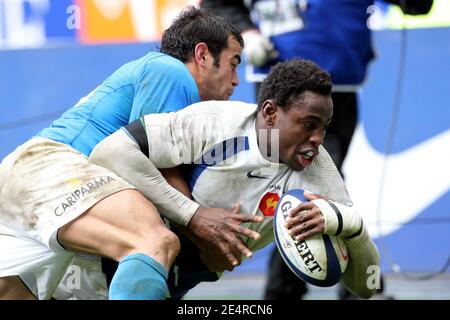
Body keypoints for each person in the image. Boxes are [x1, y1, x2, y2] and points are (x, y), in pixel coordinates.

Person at [0, 6, 266, 300]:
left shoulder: (153, 74)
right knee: (153, 242)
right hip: (53, 169)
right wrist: (203, 231)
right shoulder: (172, 71)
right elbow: (158, 169)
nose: (236, 81)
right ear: (202, 55)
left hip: (22, 183)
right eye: (233, 64)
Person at [84, 58, 380, 299]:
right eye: (308, 124)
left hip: (184, 277)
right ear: (271, 113)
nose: (318, 138)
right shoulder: (215, 123)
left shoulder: (320, 173)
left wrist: (350, 225)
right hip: (111, 252)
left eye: (324, 127)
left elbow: (366, 286)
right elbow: (110, 152)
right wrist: (194, 218)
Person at [201, 0, 433, 299]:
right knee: (313, 180)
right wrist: (248, 33)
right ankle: (351, 289)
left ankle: (285, 288)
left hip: (342, 85)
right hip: (283, 89)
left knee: (303, 183)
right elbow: (215, 3)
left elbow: (417, 6)